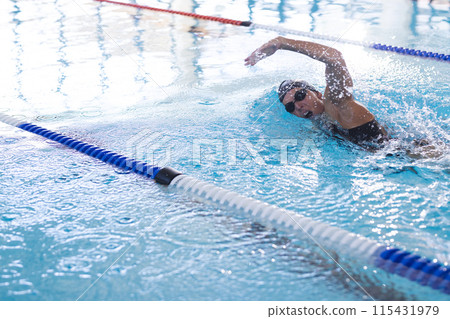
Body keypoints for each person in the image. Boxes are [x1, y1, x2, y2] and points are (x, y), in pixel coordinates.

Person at [244, 36, 389, 148]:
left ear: (318, 94)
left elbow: (335, 58)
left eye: (300, 96)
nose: (298, 106)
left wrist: (282, 42)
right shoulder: (320, 121)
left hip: (402, 156)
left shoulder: (339, 105)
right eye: (290, 107)